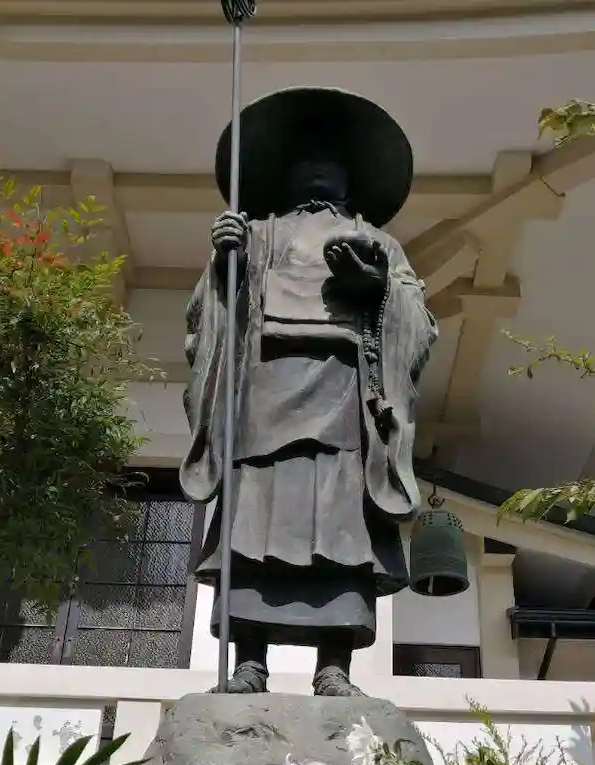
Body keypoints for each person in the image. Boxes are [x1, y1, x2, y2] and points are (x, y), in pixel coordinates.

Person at [180, 87, 437, 696]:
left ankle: (334, 666)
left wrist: (375, 287)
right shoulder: (257, 232)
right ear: (285, 172)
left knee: (342, 527)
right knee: (253, 519)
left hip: (343, 393)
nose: (319, 169)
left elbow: (418, 321)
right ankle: (249, 662)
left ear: (350, 177)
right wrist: (225, 261)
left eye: (331, 161)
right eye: (306, 160)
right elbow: (211, 314)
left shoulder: (379, 242)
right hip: (264, 387)